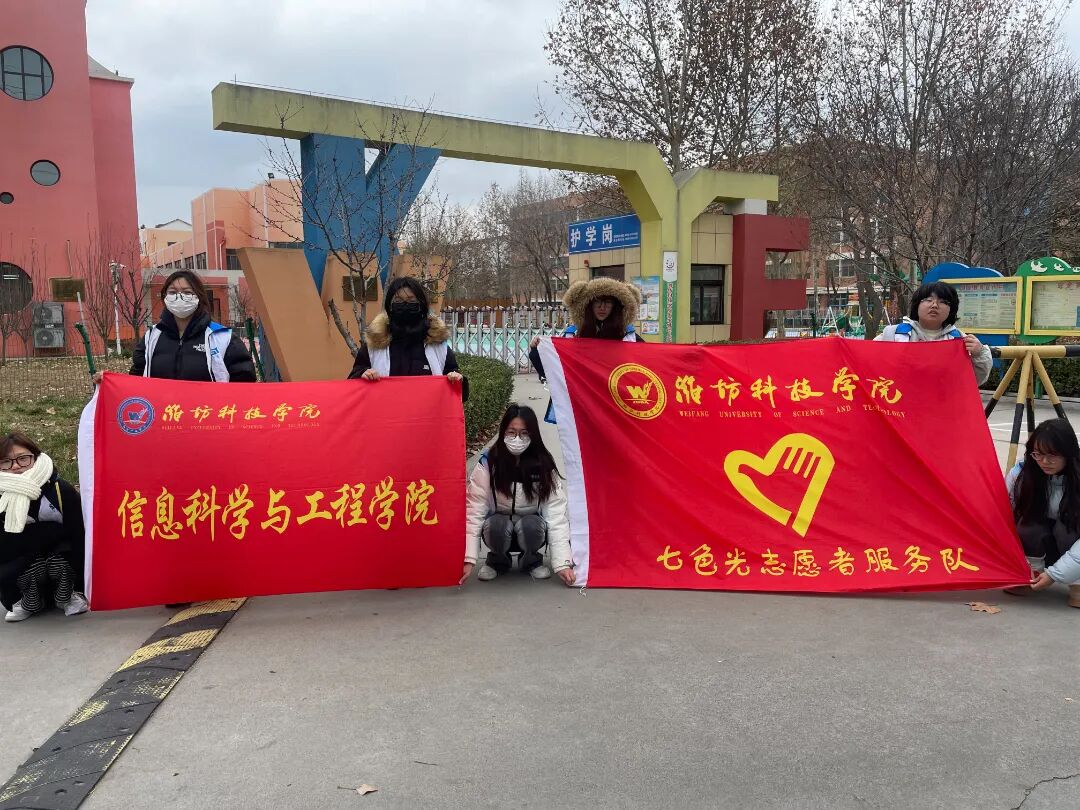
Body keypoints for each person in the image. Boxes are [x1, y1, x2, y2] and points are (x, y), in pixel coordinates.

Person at [463, 405, 574, 585]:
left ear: (533, 435)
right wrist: (468, 559)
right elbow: (474, 510)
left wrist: (563, 564)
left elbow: (556, 514)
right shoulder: (488, 463)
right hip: (498, 530)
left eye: (524, 433)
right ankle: (497, 561)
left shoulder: (543, 464)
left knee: (531, 524)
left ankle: (531, 561)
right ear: (503, 432)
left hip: (532, 531)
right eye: (511, 432)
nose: (517, 439)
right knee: (496, 524)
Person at [92, 270, 256, 384]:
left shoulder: (222, 338)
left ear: (199, 297)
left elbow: (244, 382)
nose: (179, 297)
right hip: (163, 418)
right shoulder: (151, 337)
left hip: (206, 418)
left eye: (187, 292)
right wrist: (111, 382)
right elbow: (137, 378)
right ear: (164, 297)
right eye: (173, 292)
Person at [529, 278, 646, 421]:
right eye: (597, 301)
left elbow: (647, 365)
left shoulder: (628, 336)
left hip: (616, 406)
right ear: (588, 304)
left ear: (616, 306)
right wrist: (537, 350)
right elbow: (553, 369)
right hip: (582, 405)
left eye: (608, 302)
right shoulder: (573, 335)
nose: (602, 307)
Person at [0, 433, 87, 622]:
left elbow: (79, 537)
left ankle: (69, 595)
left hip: (63, 564)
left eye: (23, 458)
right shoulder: (1, 498)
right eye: (6, 461)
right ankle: (27, 601)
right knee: (25, 561)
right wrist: (49, 531)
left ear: (36, 457)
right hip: (23, 571)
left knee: (60, 557)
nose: (15, 466)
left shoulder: (60, 490)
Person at [348, 277, 466, 398]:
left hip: (427, 410)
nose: (404, 305)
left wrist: (457, 379)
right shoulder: (375, 343)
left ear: (421, 305)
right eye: (398, 301)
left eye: (411, 300)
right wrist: (362, 374)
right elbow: (353, 381)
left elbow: (457, 386)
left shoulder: (438, 345)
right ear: (390, 306)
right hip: (385, 408)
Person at [1005, 418, 1080, 608]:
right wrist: (1015, 563)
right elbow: (1003, 520)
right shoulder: (1020, 474)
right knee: (1028, 524)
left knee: (1067, 527)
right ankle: (1031, 573)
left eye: (1052, 455)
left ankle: (1077, 582)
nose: (1044, 462)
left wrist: (1055, 574)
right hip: (1040, 547)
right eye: (1038, 454)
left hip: (1072, 544)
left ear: (1069, 453)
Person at [874, 281, 992, 384]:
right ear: (917, 305)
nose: (934, 305)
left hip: (943, 402)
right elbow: (870, 366)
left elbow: (975, 381)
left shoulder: (960, 340)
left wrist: (979, 353)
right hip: (898, 400)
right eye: (928, 300)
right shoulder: (893, 334)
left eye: (943, 302)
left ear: (951, 310)